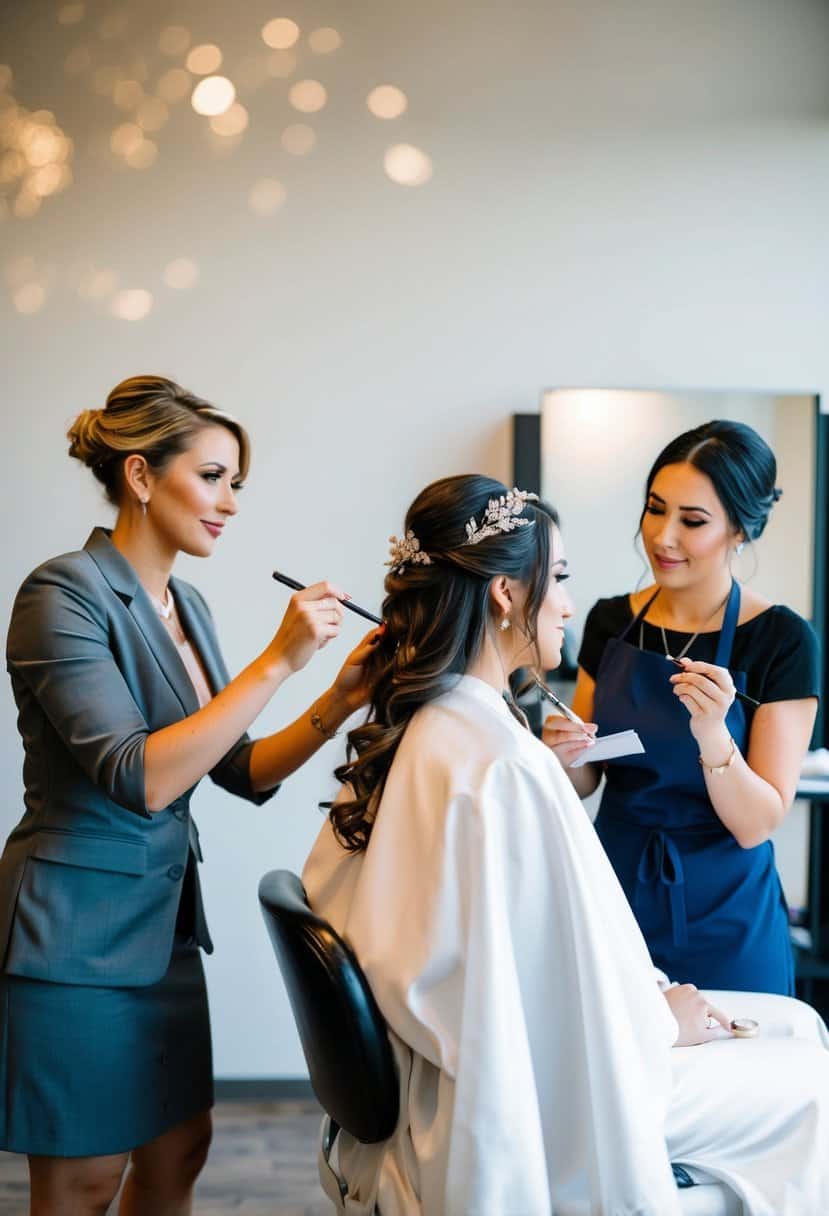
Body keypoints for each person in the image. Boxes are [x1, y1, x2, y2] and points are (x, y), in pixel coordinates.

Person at [303, 473, 829, 1216]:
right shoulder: (500, 759)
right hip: (546, 1086)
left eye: (691, 519)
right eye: (557, 576)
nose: (572, 602)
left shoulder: (444, 731)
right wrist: (653, 1021)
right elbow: (527, 989)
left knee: (797, 1023)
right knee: (812, 1081)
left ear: (736, 532)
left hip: (707, 909)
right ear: (504, 594)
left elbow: (505, 960)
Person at [0, 375, 381, 1216]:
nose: (230, 504)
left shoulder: (192, 607)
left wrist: (338, 699)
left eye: (236, 483)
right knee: (84, 1178)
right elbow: (141, 775)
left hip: (163, 933)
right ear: (140, 476)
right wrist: (277, 661)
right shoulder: (59, 595)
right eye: (213, 477)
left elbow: (237, 770)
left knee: (180, 1151)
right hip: (77, 940)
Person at [545, 421, 819, 995]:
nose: (663, 537)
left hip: (726, 916)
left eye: (692, 522)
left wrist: (715, 736)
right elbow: (587, 779)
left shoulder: (782, 640)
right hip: (612, 894)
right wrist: (562, 756)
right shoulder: (610, 620)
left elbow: (756, 825)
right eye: (654, 509)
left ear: (740, 530)